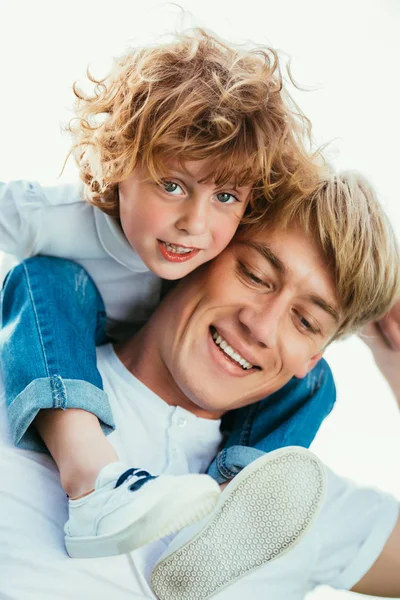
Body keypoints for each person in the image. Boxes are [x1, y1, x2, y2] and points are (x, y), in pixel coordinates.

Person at [0, 27, 333, 559]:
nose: (193, 225)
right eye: (172, 185)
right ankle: (91, 480)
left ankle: (237, 497)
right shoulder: (54, 219)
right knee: (46, 280)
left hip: (153, 350)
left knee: (311, 372)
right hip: (60, 340)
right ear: (119, 164)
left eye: (225, 195)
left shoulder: (222, 252)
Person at [0, 170, 399, 600]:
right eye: (254, 275)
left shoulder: (294, 508)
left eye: (306, 322)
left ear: (313, 358)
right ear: (200, 250)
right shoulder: (23, 369)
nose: (261, 326)